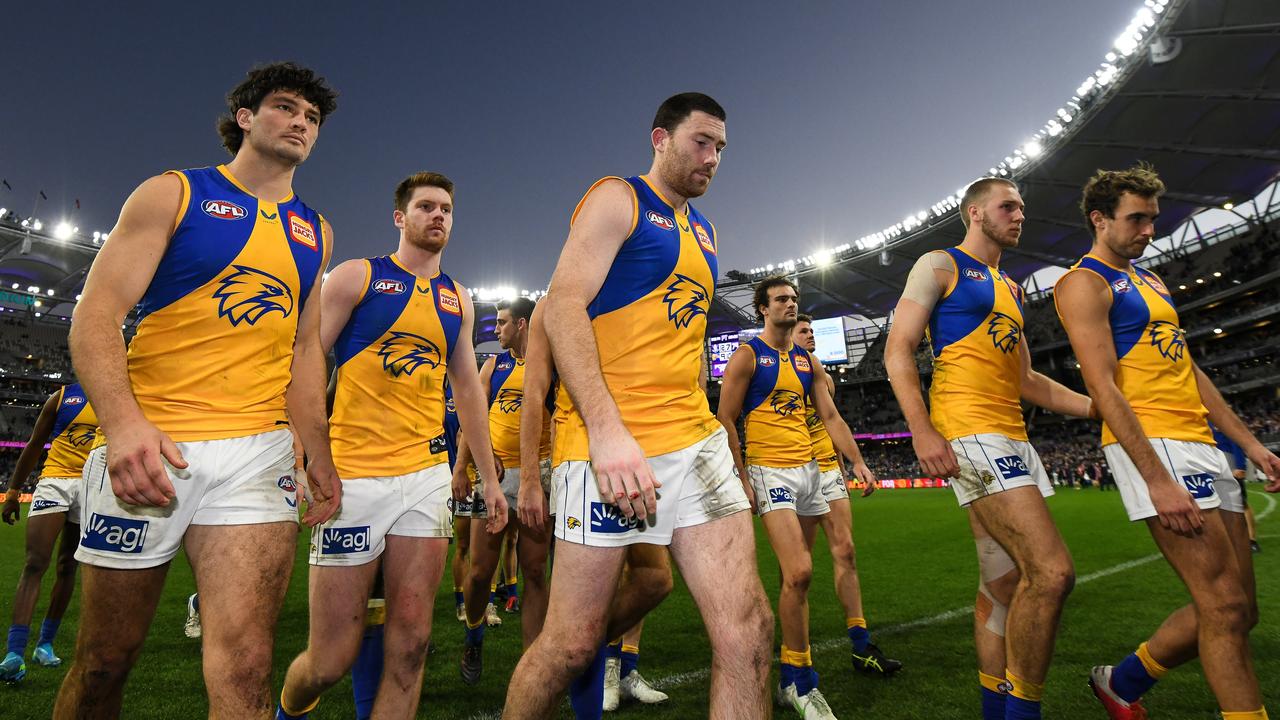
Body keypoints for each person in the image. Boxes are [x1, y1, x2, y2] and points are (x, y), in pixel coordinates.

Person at [54, 62, 341, 720]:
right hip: (154, 448)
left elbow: (304, 350)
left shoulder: (316, 233)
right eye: (286, 108)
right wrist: (124, 427)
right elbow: (97, 313)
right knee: (104, 661)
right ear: (244, 118)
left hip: (257, 455)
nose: (301, 122)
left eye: (313, 117)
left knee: (246, 666)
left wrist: (318, 451)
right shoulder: (171, 194)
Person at [502, 92, 773, 719]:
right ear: (660, 139)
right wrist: (606, 428)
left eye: (721, 149)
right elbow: (564, 305)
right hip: (610, 444)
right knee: (570, 646)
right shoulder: (617, 198)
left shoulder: (704, 231)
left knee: (749, 629)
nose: (713, 158)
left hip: (694, 439)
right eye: (701, 142)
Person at [275, 171, 506, 719]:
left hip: (424, 481)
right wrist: (308, 452)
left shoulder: (458, 299)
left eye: (447, 208)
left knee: (412, 645)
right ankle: (286, 712)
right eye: (426, 207)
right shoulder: (358, 277)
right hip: (352, 480)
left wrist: (491, 480)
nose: (439, 216)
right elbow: (303, 360)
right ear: (400, 218)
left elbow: (469, 390)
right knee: (329, 660)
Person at [1054, 164, 1280, 720]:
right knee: (1223, 605)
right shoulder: (1083, 283)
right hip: (1155, 444)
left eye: (1153, 220)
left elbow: (1190, 370)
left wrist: (1249, 444)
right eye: (1136, 219)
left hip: (1199, 440)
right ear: (1099, 219)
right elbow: (1101, 385)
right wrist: (1156, 478)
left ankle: (1121, 682)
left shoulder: (1150, 281)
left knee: (1240, 610)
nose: (1149, 231)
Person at [884, 177, 1095, 720]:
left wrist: (1098, 407)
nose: (1020, 214)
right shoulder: (940, 265)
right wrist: (922, 429)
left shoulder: (1013, 288)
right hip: (970, 431)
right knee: (1051, 573)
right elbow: (898, 349)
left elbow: (1029, 380)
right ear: (975, 213)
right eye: (1008, 206)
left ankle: (992, 709)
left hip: (1013, 436)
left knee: (1001, 585)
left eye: (1023, 205)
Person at [718, 276, 879, 720]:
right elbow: (725, 418)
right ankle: (803, 683)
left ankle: (791, 673)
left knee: (799, 578)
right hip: (770, 471)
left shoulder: (807, 361)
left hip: (811, 469)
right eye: (781, 300)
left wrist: (858, 461)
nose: (790, 304)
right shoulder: (748, 356)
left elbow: (830, 415)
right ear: (762, 310)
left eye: (793, 298)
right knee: (801, 569)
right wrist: (742, 475)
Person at [793, 314, 902, 676]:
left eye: (811, 331)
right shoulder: (771, 370)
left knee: (846, 551)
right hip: (795, 471)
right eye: (803, 331)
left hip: (827, 468)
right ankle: (795, 658)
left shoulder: (820, 374)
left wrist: (850, 464)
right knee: (798, 570)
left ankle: (861, 647)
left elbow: (832, 421)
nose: (811, 336)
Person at [453, 296, 550, 682]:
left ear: (523, 325)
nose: (496, 330)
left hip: (536, 475)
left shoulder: (547, 364)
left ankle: (532, 664)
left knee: (535, 570)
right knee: (479, 571)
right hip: (494, 478)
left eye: (503, 323)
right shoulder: (495, 364)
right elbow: (473, 415)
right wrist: (463, 466)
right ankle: (473, 636)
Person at [1, 383, 97, 681]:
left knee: (68, 566)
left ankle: (45, 643)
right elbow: (33, 443)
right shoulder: (65, 396)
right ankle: (14, 652)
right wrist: (14, 492)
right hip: (55, 480)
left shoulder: (119, 395)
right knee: (34, 563)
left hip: (92, 484)